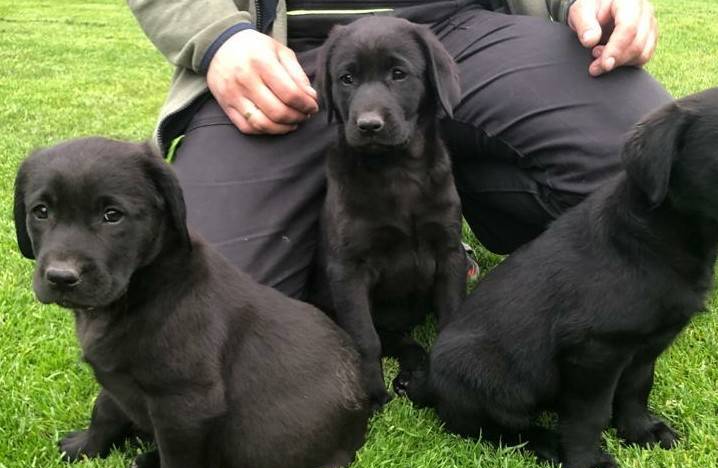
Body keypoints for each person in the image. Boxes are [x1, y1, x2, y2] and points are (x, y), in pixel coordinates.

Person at [129, 0, 670, 299]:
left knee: (647, 165)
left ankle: (440, 222)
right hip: (284, 54)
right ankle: (349, 238)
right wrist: (219, 37)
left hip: (468, 26)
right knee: (200, 296)